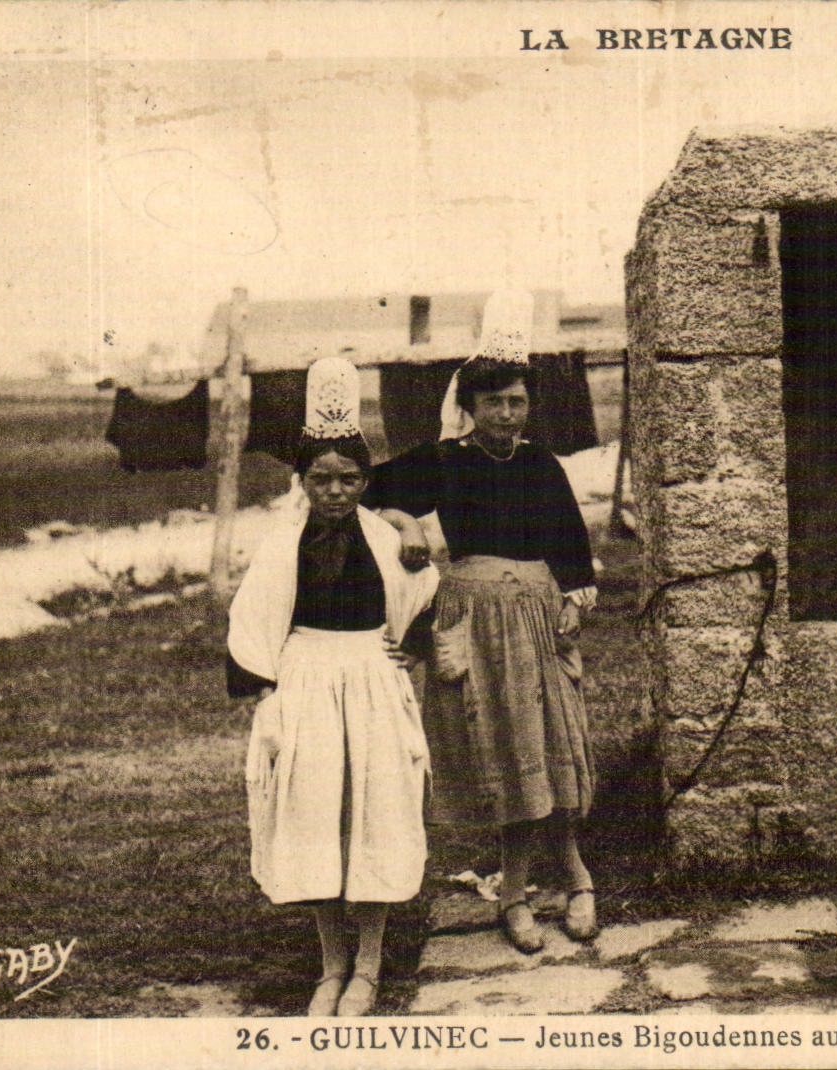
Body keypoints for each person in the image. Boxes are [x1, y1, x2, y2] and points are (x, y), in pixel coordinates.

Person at [363, 289, 600, 953]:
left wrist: (571, 602)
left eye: (516, 402)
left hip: (537, 617)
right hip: (475, 622)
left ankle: (576, 876)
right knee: (504, 748)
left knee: (555, 744)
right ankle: (516, 889)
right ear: (468, 406)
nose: (506, 413)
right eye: (493, 402)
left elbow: (571, 547)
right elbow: (358, 492)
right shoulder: (445, 462)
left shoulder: (539, 464)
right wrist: (406, 522)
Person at [227, 357, 439, 1016]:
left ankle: (369, 963)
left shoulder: (385, 540)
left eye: (349, 479)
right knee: (314, 811)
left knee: (372, 808)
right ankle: (331, 962)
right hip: (306, 681)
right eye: (322, 479)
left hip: (371, 680)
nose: (336, 492)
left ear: (364, 481)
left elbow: (422, 602)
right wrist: (269, 694)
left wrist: (408, 646)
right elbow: (253, 621)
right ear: (302, 481)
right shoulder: (281, 545)